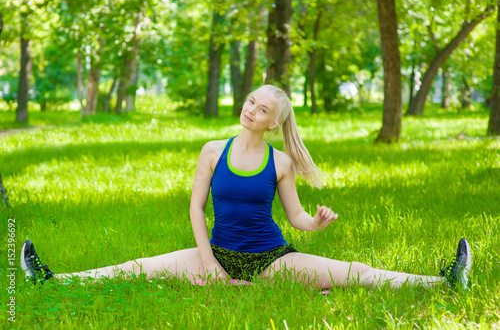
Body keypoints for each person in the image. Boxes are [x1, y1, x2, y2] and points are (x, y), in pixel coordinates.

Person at [21, 85, 471, 290]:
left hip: (272, 260)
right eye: (250, 101)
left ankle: (441, 281)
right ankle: (51, 279)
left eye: (261, 109)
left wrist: (313, 224)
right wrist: (208, 264)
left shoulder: (281, 161)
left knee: (356, 272)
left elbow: (293, 216)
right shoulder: (213, 150)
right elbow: (197, 210)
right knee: (137, 266)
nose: (250, 110)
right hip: (214, 255)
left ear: (273, 123)